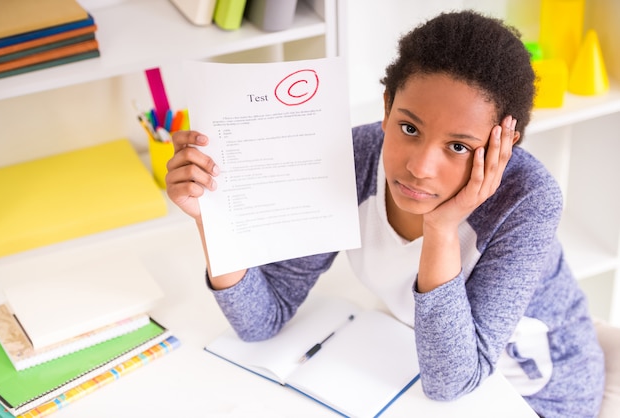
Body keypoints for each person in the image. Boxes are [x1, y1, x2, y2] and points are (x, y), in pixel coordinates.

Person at [165, 10, 604, 418]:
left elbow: (453, 383)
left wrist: (442, 228)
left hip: (538, 394)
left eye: (458, 147)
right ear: (387, 107)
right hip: (419, 374)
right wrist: (212, 217)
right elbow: (263, 320)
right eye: (409, 128)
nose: (419, 167)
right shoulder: (353, 160)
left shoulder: (527, 199)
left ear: (502, 148)